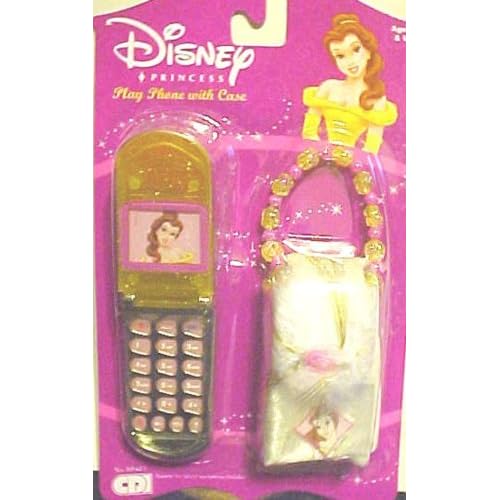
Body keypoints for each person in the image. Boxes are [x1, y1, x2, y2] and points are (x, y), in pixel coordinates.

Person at [302, 13, 398, 154]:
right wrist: (320, 152)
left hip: (352, 161)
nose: (350, 61)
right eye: (340, 56)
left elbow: (371, 147)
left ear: (368, 52)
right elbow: (309, 132)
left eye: (356, 50)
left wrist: (349, 159)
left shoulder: (375, 99)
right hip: (320, 156)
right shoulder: (328, 87)